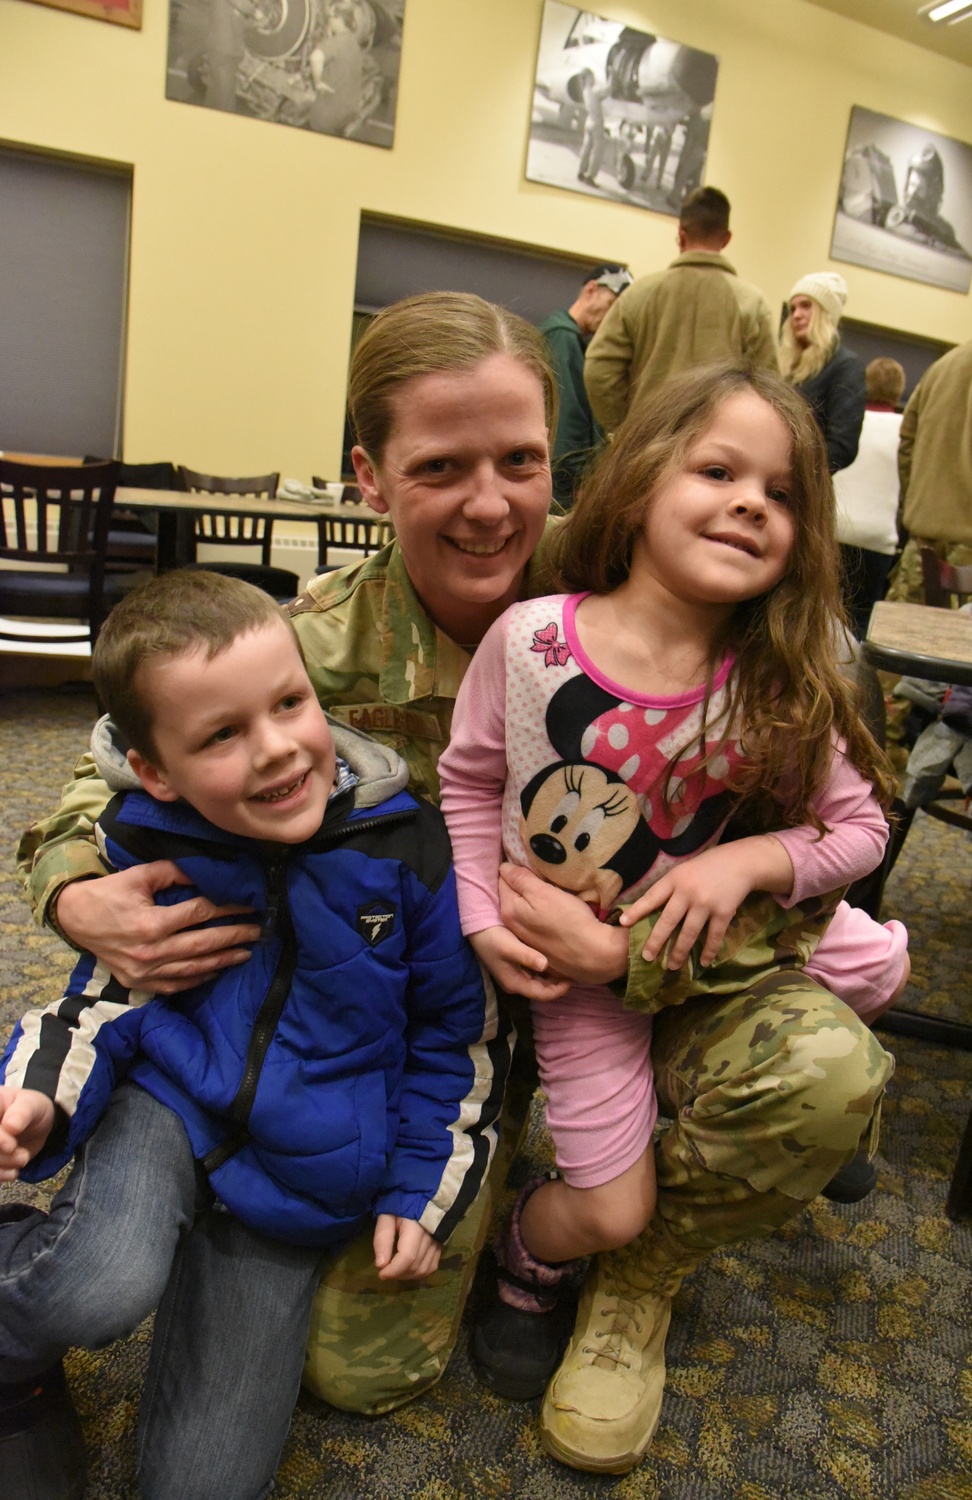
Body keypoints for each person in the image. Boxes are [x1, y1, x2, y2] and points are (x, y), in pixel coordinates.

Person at [15, 293, 896, 1475]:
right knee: (360, 1374)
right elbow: (112, 770)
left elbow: (813, 847)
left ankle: (632, 1270)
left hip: (632, 989)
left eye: (521, 461)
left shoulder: (648, 575)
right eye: (441, 467)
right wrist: (77, 891)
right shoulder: (312, 648)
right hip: (405, 1033)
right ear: (370, 480)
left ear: (564, 461)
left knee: (824, 1072)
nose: (490, 504)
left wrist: (633, 957)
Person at [437, 363, 905, 1467]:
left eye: (782, 493)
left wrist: (747, 856)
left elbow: (860, 831)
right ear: (643, 480)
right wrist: (477, 915)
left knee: (871, 985)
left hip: (711, 957)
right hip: (584, 979)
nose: (751, 501)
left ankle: (794, 1126)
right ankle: (532, 1254)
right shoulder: (532, 641)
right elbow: (467, 784)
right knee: (609, 1213)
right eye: (718, 470)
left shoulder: (784, 676)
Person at [0, 570, 506, 1500]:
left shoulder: (413, 855)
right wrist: (40, 1090)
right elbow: (100, 994)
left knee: (202, 1486)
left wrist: (420, 1192)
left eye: (290, 704)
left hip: (303, 1172)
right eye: (223, 734)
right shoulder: (154, 835)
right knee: (96, 1286)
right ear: (156, 770)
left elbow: (459, 1043)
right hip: (169, 1110)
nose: (277, 751)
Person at [583, 186, 778, 434]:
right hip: (717, 452)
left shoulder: (639, 294)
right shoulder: (752, 304)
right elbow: (769, 391)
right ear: (726, 238)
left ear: (681, 234)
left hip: (648, 448)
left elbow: (598, 368)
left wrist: (626, 429)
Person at [885, 322, 972, 607]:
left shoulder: (944, 365)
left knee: (903, 649)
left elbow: (907, 442)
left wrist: (922, 503)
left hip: (920, 561)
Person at [539, 263, 633, 510]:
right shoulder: (563, 337)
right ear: (591, 290)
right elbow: (566, 422)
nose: (612, 318)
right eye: (612, 305)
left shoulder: (576, 343)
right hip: (563, 488)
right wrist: (580, 479)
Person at [834, 356, 906, 637]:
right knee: (861, 624)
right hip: (877, 539)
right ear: (899, 391)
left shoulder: (845, 423)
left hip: (834, 528)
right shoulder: (905, 431)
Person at [779, 271, 865, 473]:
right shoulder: (789, 368)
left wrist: (793, 468)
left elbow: (843, 446)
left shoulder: (845, 366)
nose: (796, 315)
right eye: (792, 309)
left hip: (806, 486)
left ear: (826, 313)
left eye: (806, 306)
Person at [576, 69, 607, 187]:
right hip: (597, 123)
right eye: (591, 76)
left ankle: (581, 171)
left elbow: (599, 97)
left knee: (586, 148)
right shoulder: (594, 90)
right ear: (587, 78)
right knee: (597, 151)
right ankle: (591, 176)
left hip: (589, 122)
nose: (593, 78)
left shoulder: (586, 91)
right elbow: (609, 89)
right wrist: (612, 76)